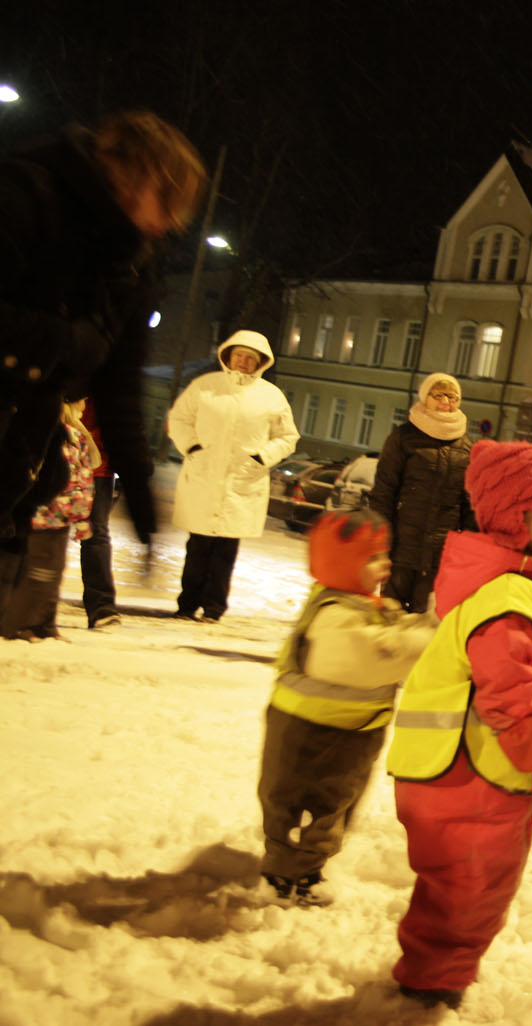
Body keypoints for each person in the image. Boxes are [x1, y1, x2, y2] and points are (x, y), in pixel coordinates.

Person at [386, 441, 532, 1010]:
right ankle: (430, 989)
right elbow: (508, 692)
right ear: (507, 514)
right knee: (470, 885)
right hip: (472, 770)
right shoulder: (512, 594)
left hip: (468, 767)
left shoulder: (523, 580)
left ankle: (433, 975)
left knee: (463, 883)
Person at [0, 110, 206, 613]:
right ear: (127, 173)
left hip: (15, 468)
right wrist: (63, 342)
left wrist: (138, 492)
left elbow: (121, 382)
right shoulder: (24, 194)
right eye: (170, 201)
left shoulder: (130, 258)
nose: (174, 222)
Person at [257, 508, 436, 906]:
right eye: (373, 557)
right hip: (312, 730)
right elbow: (380, 654)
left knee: (333, 803)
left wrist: (431, 623)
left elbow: (395, 628)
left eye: (384, 553)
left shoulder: (361, 604)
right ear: (342, 564)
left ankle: (301, 868)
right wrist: (431, 641)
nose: (386, 563)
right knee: (301, 801)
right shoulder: (335, 617)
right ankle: (292, 874)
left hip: (351, 729)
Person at [168, 330, 299, 621]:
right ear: (228, 356)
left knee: (225, 551)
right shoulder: (204, 386)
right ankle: (187, 604)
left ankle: (214, 607)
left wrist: (262, 457)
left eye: (250, 358)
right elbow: (179, 418)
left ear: (260, 363)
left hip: (242, 483)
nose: (243, 362)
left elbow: (287, 436)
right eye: (239, 355)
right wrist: (191, 446)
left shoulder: (271, 396)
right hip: (205, 477)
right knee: (198, 547)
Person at [367, 372, 475, 614]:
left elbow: (469, 504)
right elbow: (384, 491)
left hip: (441, 553)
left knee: (426, 620)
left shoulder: (467, 446)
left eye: (453, 396)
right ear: (425, 397)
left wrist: (467, 547)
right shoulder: (404, 437)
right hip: (402, 546)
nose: (446, 401)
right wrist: (383, 540)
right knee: (390, 614)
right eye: (439, 395)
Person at [0, 400, 97, 640]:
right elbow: (77, 479)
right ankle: (24, 624)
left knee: (50, 573)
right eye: (81, 399)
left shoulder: (65, 434)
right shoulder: (67, 436)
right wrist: (81, 516)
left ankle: (44, 622)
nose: (85, 403)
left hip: (52, 515)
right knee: (41, 574)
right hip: (51, 516)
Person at [78, 399, 122, 628]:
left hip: (97, 468)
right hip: (56, 458)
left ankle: (102, 607)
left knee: (95, 534)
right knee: (39, 532)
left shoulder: (110, 379)